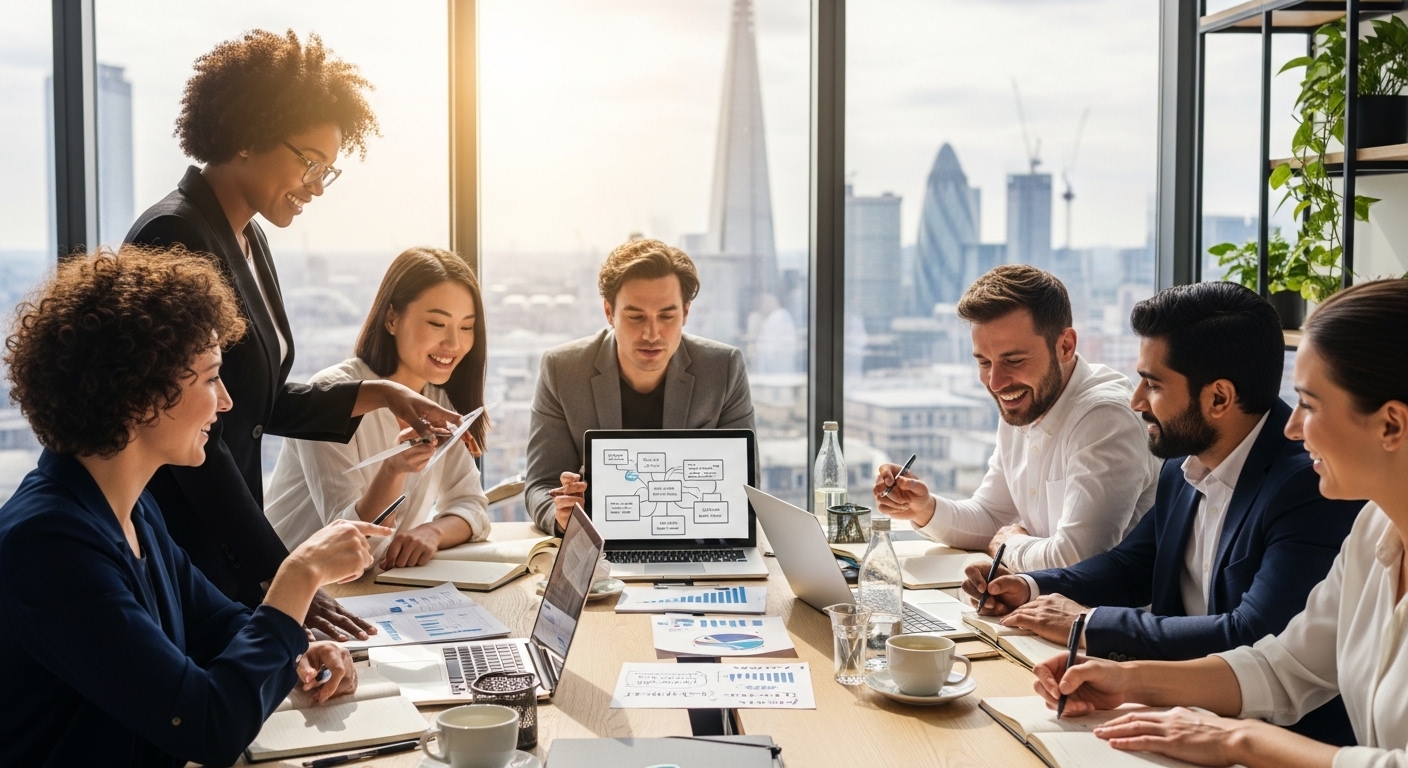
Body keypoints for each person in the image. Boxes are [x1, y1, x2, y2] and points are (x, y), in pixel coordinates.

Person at [0, 247, 390, 767]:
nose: (226, 401)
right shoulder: (50, 547)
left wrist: (295, 651)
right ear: (141, 398)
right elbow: (207, 728)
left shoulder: (131, 509)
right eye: (210, 378)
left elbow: (216, 626)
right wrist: (302, 574)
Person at [125, 31, 458, 639]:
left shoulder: (249, 238)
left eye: (327, 171)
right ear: (248, 132)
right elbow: (190, 428)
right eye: (308, 161)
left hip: (223, 535)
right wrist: (278, 572)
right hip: (185, 536)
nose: (314, 184)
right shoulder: (176, 236)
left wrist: (384, 394)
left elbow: (259, 399)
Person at [1032, 279, 1408, 768]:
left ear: (1392, 425)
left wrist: (1237, 740)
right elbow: (1284, 667)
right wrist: (1125, 680)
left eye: (1310, 406)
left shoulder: (1315, 495)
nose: (1292, 427)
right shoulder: (1374, 532)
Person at [963, 281, 1358, 746]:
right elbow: (1136, 562)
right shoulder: (1184, 461)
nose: (1136, 401)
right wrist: (1033, 587)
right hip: (1180, 711)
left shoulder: (1306, 486)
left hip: (1280, 738)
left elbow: (1252, 634)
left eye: (1152, 384)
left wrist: (1089, 625)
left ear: (1218, 398)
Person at [873, 265, 1160, 571]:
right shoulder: (1025, 401)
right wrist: (924, 508)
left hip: (1101, 615)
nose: (996, 383)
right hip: (1040, 605)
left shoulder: (1105, 418)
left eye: (1014, 360)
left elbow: (1078, 558)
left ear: (1065, 346)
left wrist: (1010, 546)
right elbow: (992, 517)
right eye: (984, 362)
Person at [265, 247, 491, 569]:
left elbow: (472, 506)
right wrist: (393, 470)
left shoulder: (438, 400)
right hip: (299, 592)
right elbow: (350, 544)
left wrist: (433, 532)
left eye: (466, 327)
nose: (454, 344)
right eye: (437, 323)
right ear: (391, 319)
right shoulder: (331, 398)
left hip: (378, 589)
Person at [525, 238, 755, 535]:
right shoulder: (562, 369)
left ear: (686, 313)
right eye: (636, 317)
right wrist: (560, 516)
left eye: (667, 316)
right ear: (609, 312)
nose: (652, 333)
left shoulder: (723, 368)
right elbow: (540, 485)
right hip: (600, 542)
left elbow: (745, 487)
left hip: (695, 540)